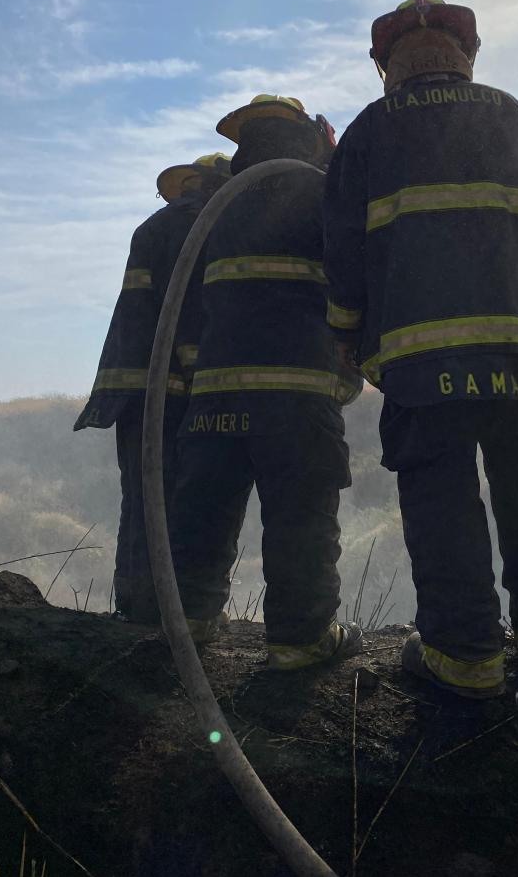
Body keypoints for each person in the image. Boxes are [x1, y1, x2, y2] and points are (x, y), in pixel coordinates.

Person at [323, 0, 518, 699]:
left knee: (440, 499)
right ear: (465, 57)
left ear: (386, 68)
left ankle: (465, 657)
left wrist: (345, 333)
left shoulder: (368, 130)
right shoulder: (507, 110)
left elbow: (342, 247)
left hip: (417, 360)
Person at [168, 95, 363, 662]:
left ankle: (192, 622)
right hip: (297, 395)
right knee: (300, 517)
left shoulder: (212, 207)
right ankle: (301, 640)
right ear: (304, 136)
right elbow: (353, 279)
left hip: (213, 397)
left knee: (202, 512)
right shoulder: (323, 193)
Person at [74, 154, 231, 622]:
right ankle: (180, 611)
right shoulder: (209, 224)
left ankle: (139, 605)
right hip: (180, 387)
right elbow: (194, 312)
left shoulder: (151, 227)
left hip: (132, 390)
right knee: (191, 498)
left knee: (144, 494)